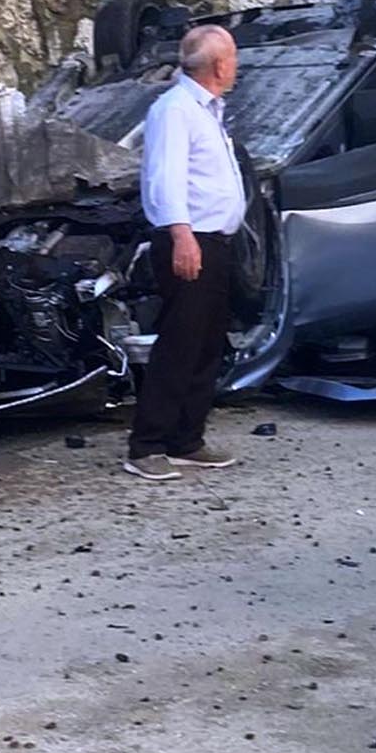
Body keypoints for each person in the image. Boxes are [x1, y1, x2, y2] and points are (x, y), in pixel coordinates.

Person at [124, 24, 247, 480]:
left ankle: (186, 438)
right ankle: (147, 444)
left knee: (207, 342)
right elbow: (166, 178)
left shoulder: (207, 110)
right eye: (233, 58)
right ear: (219, 66)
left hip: (214, 241)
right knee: (180, 343)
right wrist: (182, 235)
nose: (236, 66)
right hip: (190, 240)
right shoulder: (175, 110)